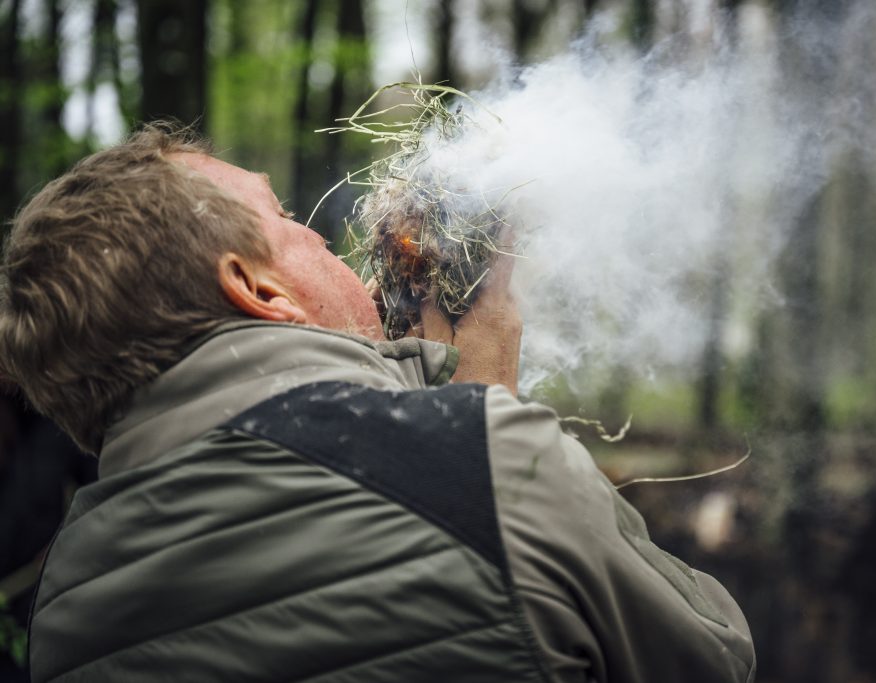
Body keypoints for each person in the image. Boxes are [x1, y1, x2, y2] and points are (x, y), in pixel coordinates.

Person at [0, 123, 755, 682]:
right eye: (284, 218)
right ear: (258, 289)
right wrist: (481, 423)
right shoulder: (487, 461)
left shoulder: (61, 610)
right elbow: (716, 656)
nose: (318, 236)